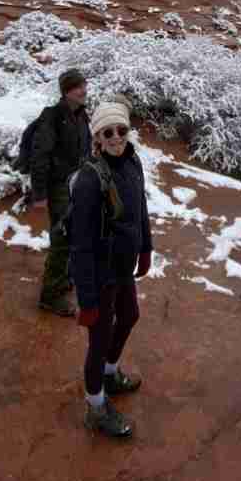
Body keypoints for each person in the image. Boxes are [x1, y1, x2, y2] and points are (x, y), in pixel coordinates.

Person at [70, 99, 152, 438]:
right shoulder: (89, 181)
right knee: (99, 338)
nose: (116, 137)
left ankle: (109, 373)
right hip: (100, 273)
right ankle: (95, 407)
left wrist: (145, 248)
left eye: (121, 130)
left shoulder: (133, 161)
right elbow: (80, 246)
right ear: (97, 138)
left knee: (129, 315)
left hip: (123, 266)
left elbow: (141, 208)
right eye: (108, 132)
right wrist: (87, 300)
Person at [30, 68, 91, 316]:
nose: (84, 90)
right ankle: (50, 297)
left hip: (77, 186)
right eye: (78, 86)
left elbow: (86, 151)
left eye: (84, 85)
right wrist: (39, 194)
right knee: (62, 239)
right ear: (66, 91)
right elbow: (40, 155)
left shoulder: (81, 115)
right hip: (58, 188)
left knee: (72, 236)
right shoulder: (52, 116)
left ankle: (63, 279)